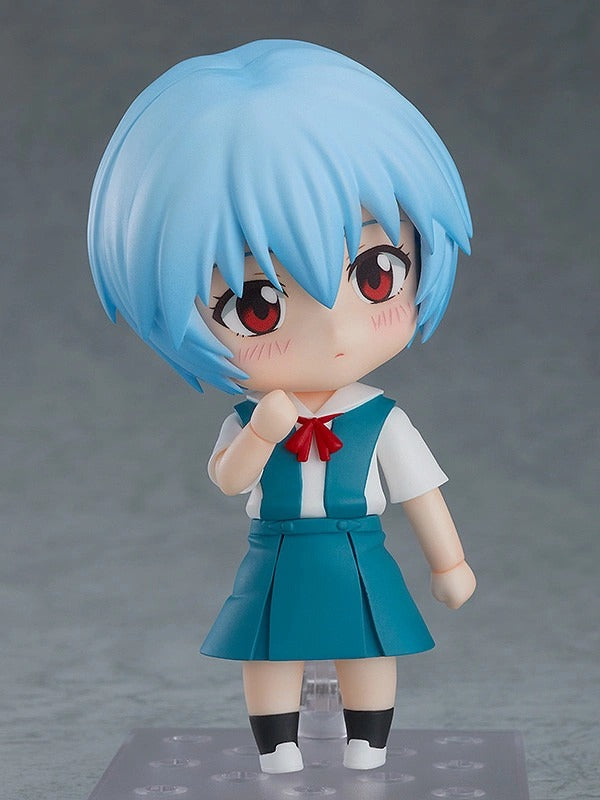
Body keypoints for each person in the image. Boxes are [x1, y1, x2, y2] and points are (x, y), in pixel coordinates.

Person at [88, 39, 476, 774]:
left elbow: (421, 494)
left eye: (375, 274)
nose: (334, 332)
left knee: (371, 645)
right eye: (258, 306)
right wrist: (261, 434)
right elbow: (229, 480)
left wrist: (448, 561)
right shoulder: (248, 420)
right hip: (277, 551)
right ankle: (277, 747)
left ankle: (368, 744)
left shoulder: (382, 420)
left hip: (358, 548)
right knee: (268, 650)